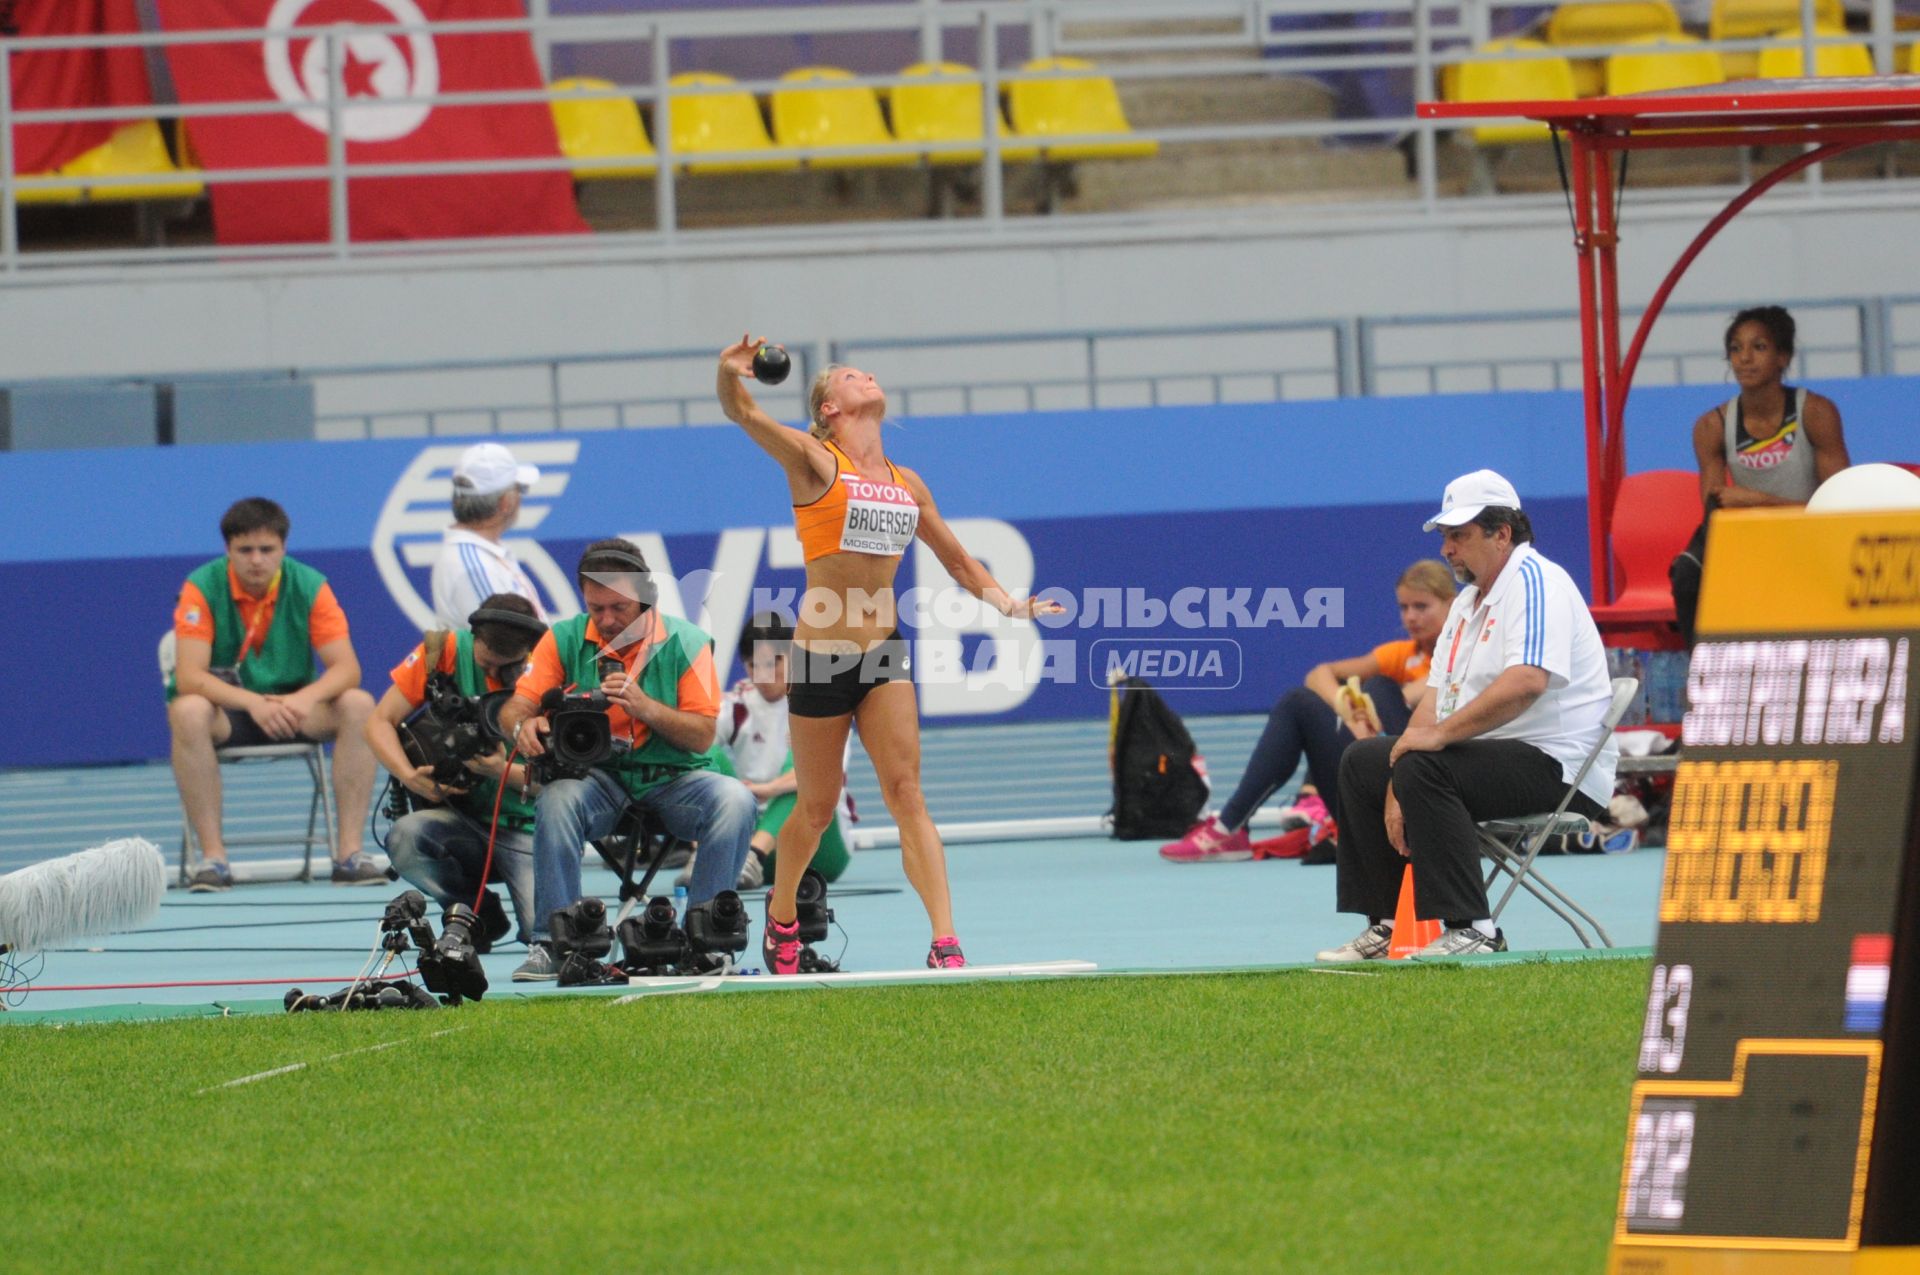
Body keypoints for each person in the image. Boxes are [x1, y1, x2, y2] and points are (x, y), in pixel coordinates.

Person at [716, 336, 1064, 973]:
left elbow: (958, 561)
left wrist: (1010, 606)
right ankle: (783, 910)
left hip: (882, 655)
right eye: (852, 375)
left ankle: (945, 939)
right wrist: (727, 373)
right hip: (820, 659)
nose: (867, 376)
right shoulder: (815, 463)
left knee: (908, 793)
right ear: (829, 409)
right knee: (816, 808)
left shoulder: (908, 484)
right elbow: (744, 414)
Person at [1318, 470, 1617, 961]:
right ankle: (1388, 923)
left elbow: (1527, 682)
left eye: (1459, 535)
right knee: (1363, 761)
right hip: (1493, 759)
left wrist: (1430, 744)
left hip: (1562, 768)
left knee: (1425, 763)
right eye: (1445, 537)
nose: (1447, 549)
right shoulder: (1464, 606)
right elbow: (1434, 700)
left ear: (1503, 534)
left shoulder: (1536, 581)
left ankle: (1475, 929)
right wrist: (1396, 770)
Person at [496, 539, 757, 982]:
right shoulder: (563, 638)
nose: (606, 619)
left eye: (618, 607)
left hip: (675, 778)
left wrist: (645, 707)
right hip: (597, 778)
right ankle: (553, 943)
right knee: (556, 800)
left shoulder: (688, 642)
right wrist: (522, 726)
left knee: (735, 800)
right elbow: (513, 708)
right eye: (596, 608)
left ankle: (707, 942)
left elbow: (702, 736)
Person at [1160, 560, 1456, 865]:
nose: (1411, 617)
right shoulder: (1402, 654)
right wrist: (1346, 707)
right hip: (1376, 787)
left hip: (1422, 793)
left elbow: (1414, 695)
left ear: (1452, 604)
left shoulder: (1461, 655)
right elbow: (1319, 674)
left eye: (1421, 606)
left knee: (1380, 687)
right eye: (1404, 607)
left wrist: (1371, 707)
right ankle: (1230, 827)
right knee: (1298, 702)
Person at [167, 497, 383, 890]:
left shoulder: (310, 585)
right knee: (187, 711)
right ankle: (213, 860)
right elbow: (188, 677)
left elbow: (348, 668)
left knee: (358, 704)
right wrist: (252, 702)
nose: (256, 560)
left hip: (293, 709)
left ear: (283, 548)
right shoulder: (201, 587)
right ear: (228, 550)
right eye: (244, 550)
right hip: (230, 712)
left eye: (266, 550)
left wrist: (302, 699)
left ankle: (349, 855)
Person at [364, 594, 548, 948]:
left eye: (505, 668)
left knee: (546, 938)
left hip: (529, 827)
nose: (492, 676)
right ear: (474, 638)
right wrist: (409, 774)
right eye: (485, 664)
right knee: (404, 837)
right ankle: (471, 913)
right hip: (462, 823)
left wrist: (498, 770)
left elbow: (563, 784)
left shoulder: (549, 669)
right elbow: (378, 722)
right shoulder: (443, 653)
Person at [1670, 305, 1850, 647]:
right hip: (1749, 543)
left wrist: (1759, 500)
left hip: (1811, 538)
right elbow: (1716, 513)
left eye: (1759, 347)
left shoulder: (1816, 413)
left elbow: (1837, 509)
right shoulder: (1712, 426)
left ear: (1783, 357)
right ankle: (1705, 679)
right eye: (1736, 349)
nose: (1745, 359)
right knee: (1687, 574)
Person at [686, 612, 857, 892]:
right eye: (755, 666)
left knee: (807, 769)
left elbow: (826, 773)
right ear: (744, 666)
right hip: (752, 831)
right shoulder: (737, 704)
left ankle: (752, 856)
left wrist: (767, 789)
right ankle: (702, 853)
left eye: (774, 663)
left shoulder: (823, 699)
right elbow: (693, 757)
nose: (765, 676)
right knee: (700, 750)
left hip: (820, 844)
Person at [430, 442, 549, 630]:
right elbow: (507, 640)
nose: (521, 498)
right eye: (520, 490)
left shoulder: (478, 556)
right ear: (505, 503)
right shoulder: (474, 566)